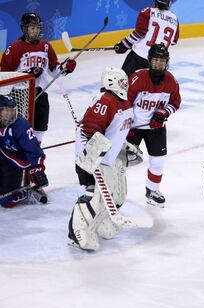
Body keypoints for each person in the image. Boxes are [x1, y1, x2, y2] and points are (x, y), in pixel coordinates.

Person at [68, 67, 138, 251]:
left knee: (117, 194)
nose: (125, 84)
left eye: (125, 81)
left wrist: (123, 147)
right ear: (111, 83)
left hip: (108, 158)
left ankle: (101, 224)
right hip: (91, 157)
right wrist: (92, 158)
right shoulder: (106, 100)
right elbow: (90, 129)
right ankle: (77, 231)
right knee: (95, 196)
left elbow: (116, 131)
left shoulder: (123, 101)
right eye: (121, 81)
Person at [0, 12, 76, 143]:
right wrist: (27, 75)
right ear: (25, 29)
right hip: (20, 94)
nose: (36, 31)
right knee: (19, 128)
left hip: (40, 91)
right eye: (32, 28)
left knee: (40, 125)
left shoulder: (45, 46)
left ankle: (35, 149)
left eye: (38, 27)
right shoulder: (14, 48)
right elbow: (4, 77)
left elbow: (53, 69)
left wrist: (64, 68)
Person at [127, 43, 181, 208]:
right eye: (156, 60)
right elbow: (124, 102)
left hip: (156, 129)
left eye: (162, 61)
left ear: (167, 62)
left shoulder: (170, 81)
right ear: (149, 61)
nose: (159, 63)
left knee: (158, 162)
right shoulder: (138, 77)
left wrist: (163, 113)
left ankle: (152, 191)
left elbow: (175, 102)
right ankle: (111, 190)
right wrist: (126, 125)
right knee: (121, 163)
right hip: (133, 129)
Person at [0, 94, 48, 208]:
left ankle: (28, 192)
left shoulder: (20, 126)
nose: (10, 115)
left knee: (6, 201)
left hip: (15, 162)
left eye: (12, 111)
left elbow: (35, 152)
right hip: (2, 154)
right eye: (6, 111)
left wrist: (37, 170)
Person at [114, 0, 179, 76]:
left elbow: (139, 33)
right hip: (159, 64)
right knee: (150, 87)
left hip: (138, 58)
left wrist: (123, 45)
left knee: (123, 84)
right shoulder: (175, 18)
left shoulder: (148, 12)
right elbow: (174, 41)